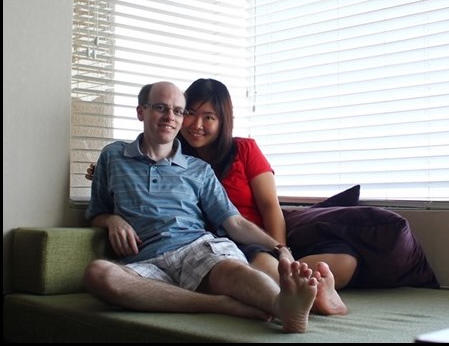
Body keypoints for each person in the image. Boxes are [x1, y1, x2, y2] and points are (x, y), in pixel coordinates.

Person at [86, 80, 352, 315]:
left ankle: (284, 307)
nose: (170, 116)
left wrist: (280, 248)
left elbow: (235, 222)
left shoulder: (199, 168)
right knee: (99, 274)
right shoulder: (113, 157)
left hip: (194, 248)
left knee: (240, 270)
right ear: (141, 111)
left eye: (178, 111)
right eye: (160, 107)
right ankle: (218, 304)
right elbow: (96, 213)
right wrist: (111, 220)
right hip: (142, 261)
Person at [177, 78, 357, 313]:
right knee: (259, 266)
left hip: (262, 239)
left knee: (345, 262)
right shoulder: (174, 160)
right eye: (190, 113)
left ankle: (297, 282)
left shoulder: (245, 149)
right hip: (222, 245)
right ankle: (309, 295)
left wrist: (281, 251)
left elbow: (270, 205)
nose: (196, 124)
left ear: (223, 121)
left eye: (209, 117)